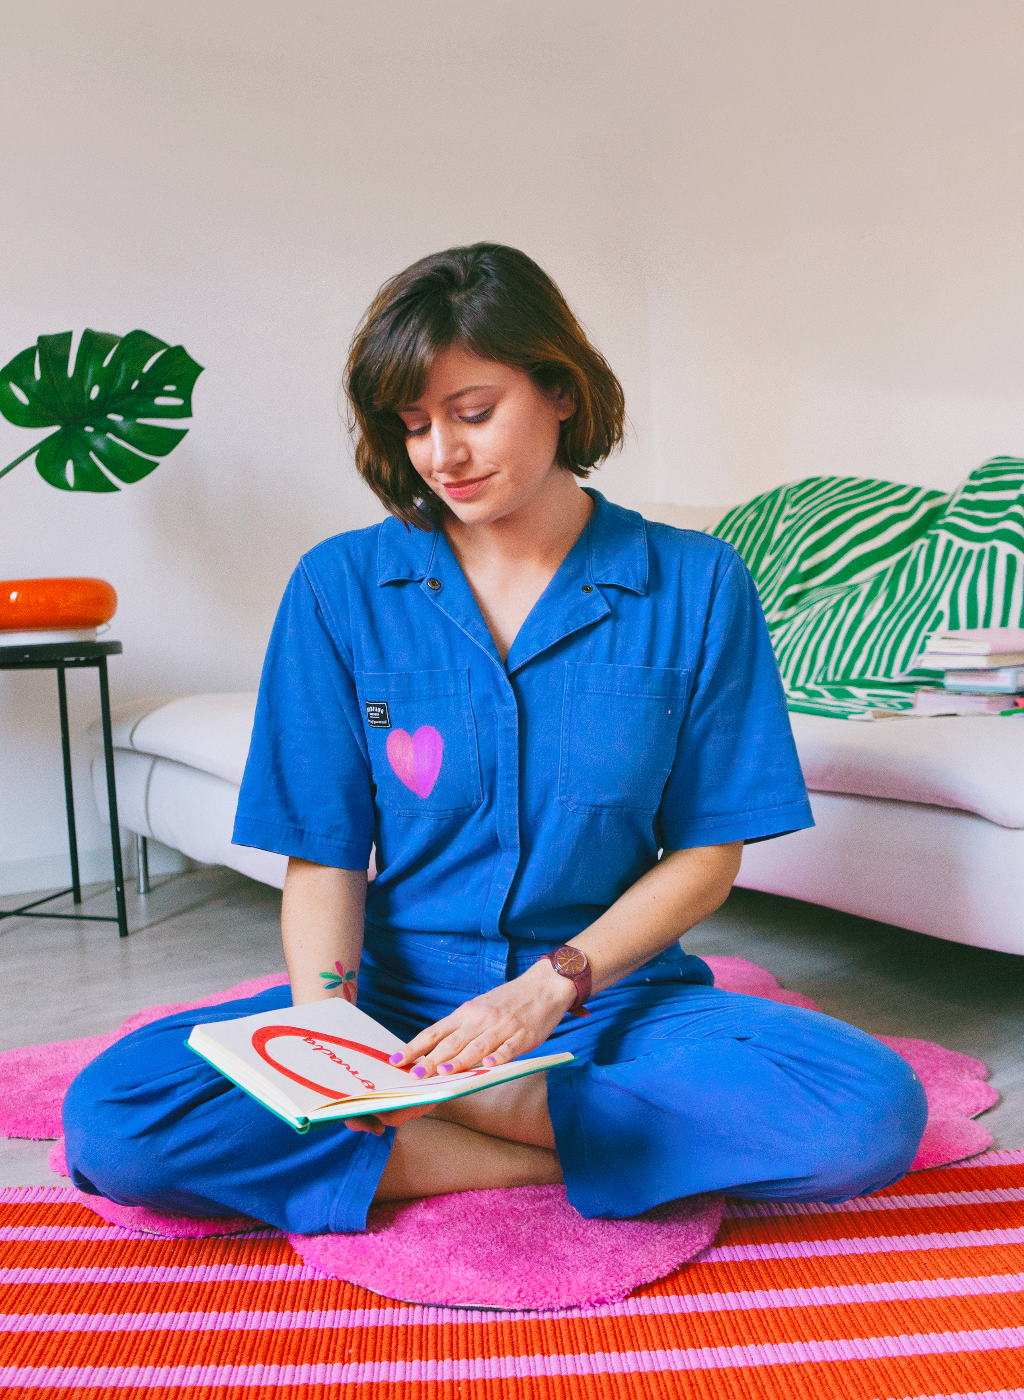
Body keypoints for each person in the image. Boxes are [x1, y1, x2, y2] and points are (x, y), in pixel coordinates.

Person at [63, 244, 927, 1232]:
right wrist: (328, 1039)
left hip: (605, 999)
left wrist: (545, 991)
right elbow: (324, 852)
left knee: (866, 1112)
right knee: (118, 1119)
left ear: (560, 389)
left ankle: (455, 1120)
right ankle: (548, 1151)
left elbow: (707, 853)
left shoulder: (695, 582)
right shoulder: (339, 585)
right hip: (392, 1005)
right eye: (414, 424)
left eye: (472, 412)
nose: (442, 455)